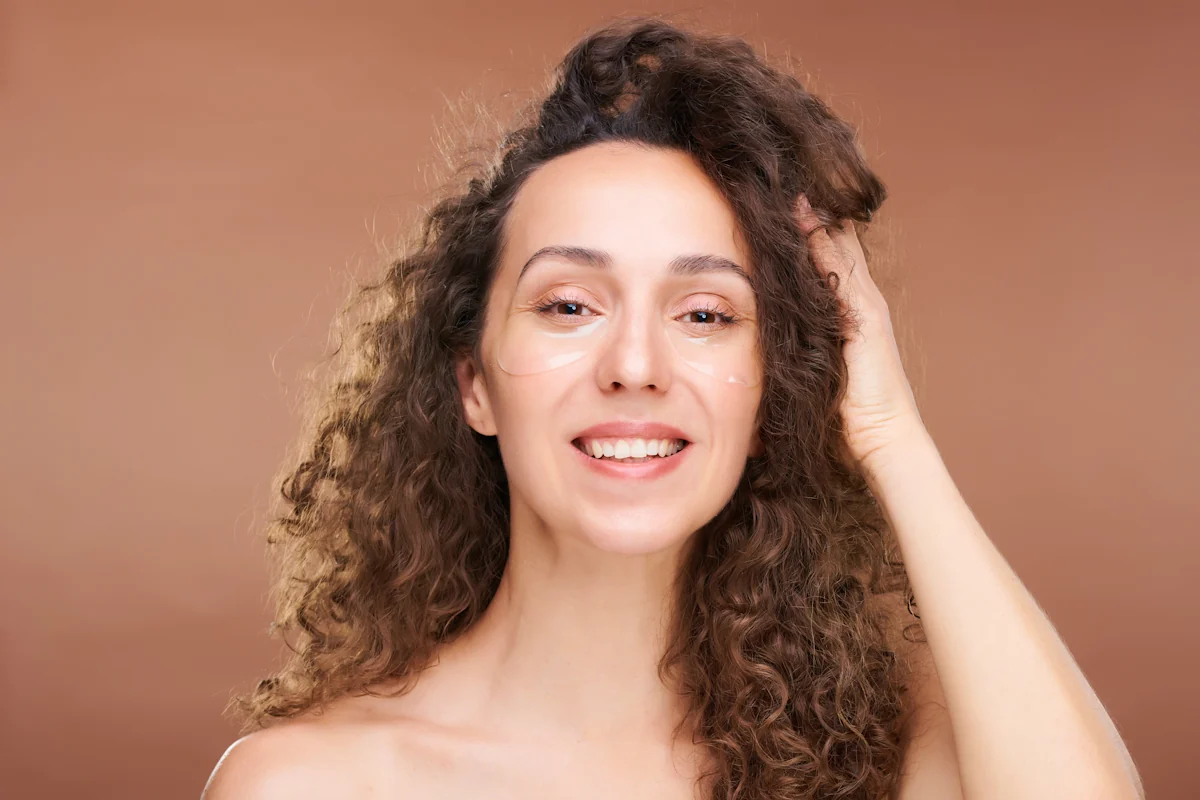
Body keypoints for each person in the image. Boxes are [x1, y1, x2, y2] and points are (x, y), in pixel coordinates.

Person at [202, 15, 1143, 800]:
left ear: (774, 391)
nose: (637, 365)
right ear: (473, 383)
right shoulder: (310, 783)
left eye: (705, 313)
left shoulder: (882, 757)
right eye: (569, 304)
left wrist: (889, 433)